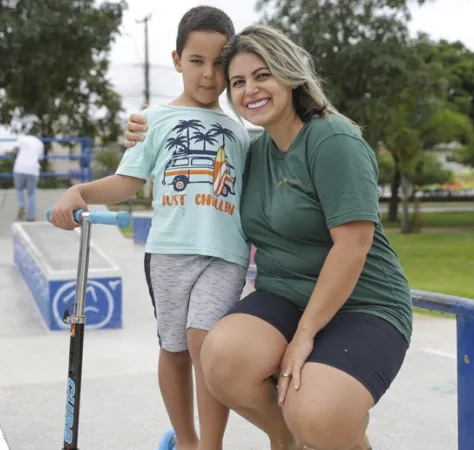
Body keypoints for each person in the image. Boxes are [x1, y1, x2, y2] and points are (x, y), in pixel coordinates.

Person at [122, 24, 414, 450]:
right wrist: (150, 126)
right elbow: (190, 158)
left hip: (363, 304)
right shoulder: (252, 152)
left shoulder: (332, 139)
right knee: (219, 358)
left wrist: (305, 335)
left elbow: (354, 245)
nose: (250, 90)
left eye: (263, 75)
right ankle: (284, 439)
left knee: (315, 413)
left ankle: (331, 435)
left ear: (290, 74)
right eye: (238, 82)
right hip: (284, 297)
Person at [48, 7, 251, 450]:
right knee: (175, 349)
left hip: (225, 254)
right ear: (177, 60)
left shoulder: (243, 133)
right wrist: (78, 191)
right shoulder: (154, 120)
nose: (208, 74)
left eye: (219, 63)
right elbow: (127, 182)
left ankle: (211, 446)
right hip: (168, 252)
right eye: (197, 61)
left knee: (204, 344)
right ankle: (187, 439)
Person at [11, 125, 45, 221]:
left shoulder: (22, 139)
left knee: (19, 189)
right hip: (33, 169)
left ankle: (22, 206)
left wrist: (14, 155)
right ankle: (32, 215)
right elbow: (40, 158)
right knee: (31, 193)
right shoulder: (39, 143)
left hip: (20, 168)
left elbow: (15, 150)